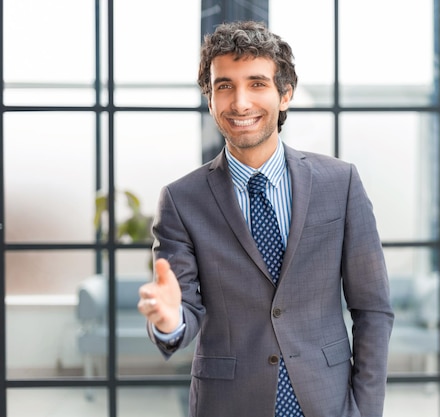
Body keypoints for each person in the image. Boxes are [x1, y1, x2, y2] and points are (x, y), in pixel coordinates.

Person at [137, 20, 394, 417]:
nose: (240, 102)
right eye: (224, 86)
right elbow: (183, 308)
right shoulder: (181, 200)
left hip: (328, 402)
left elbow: (373, 309)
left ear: (285, 95)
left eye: (256, 83)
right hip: (228, 405)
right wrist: (170, 320)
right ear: (210, 100)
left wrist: (366, 409)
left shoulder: (339, 183)